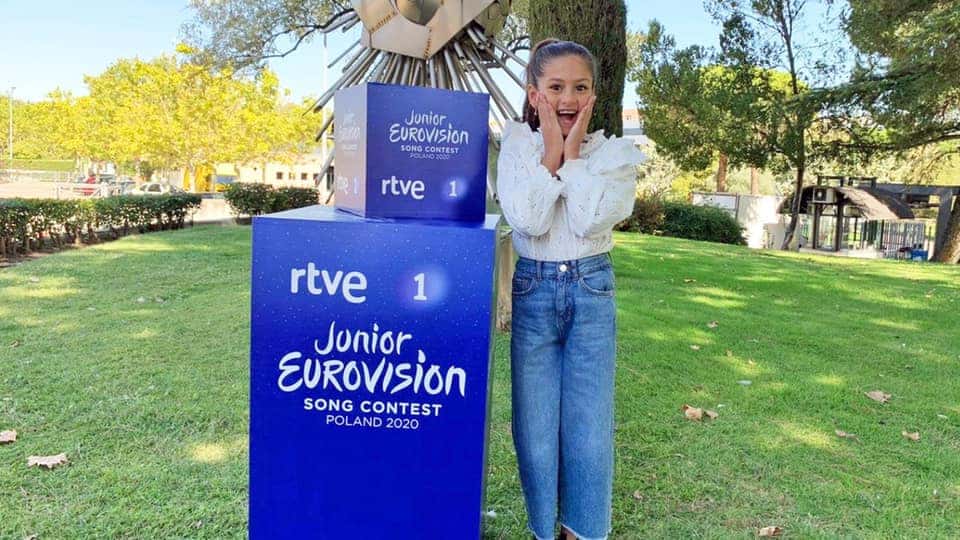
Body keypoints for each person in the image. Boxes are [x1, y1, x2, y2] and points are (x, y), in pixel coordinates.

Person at [496, 38, 643, 540]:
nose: (567, 97)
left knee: (588, 428)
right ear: (534, 93)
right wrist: (550, 155)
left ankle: (582, 532)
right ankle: (543, 530)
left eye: (579, 87)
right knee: (535, 430)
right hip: (534, 290)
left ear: (594, 96)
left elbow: (587, 220)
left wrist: (573, 155)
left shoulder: (615, 155)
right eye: (555, 86)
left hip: (590, 290)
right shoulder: (516, 148)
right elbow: (529, 221)